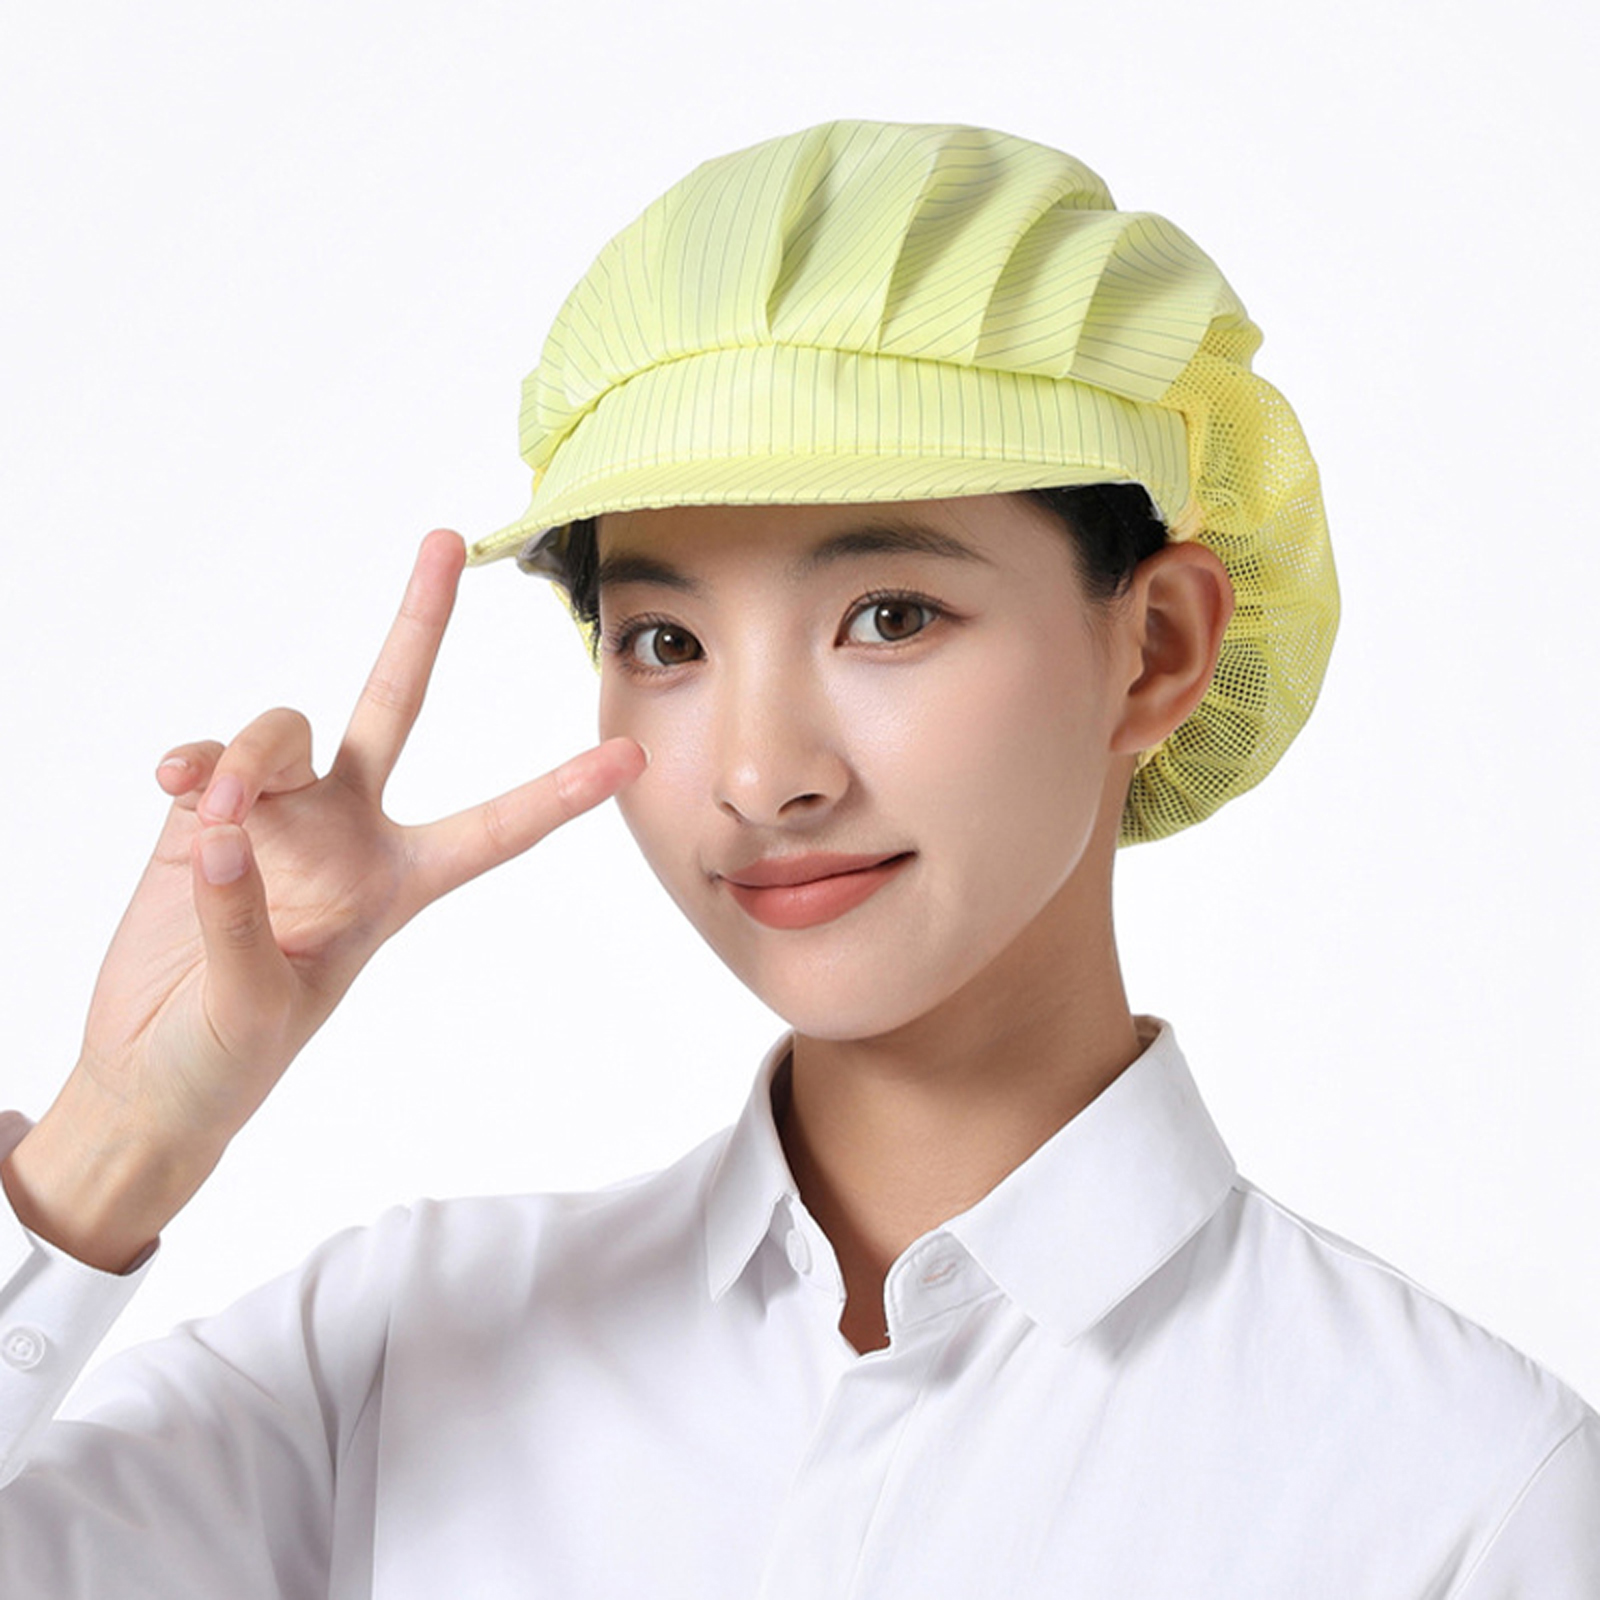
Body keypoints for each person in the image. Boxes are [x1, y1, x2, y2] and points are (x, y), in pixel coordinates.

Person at [0, 119, 1595, 1596]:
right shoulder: (393, 1359)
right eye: (667, 640)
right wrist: (112, 1143)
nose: (762, 777)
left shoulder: (1460, 1494)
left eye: (890, 616)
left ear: (1158, 646)